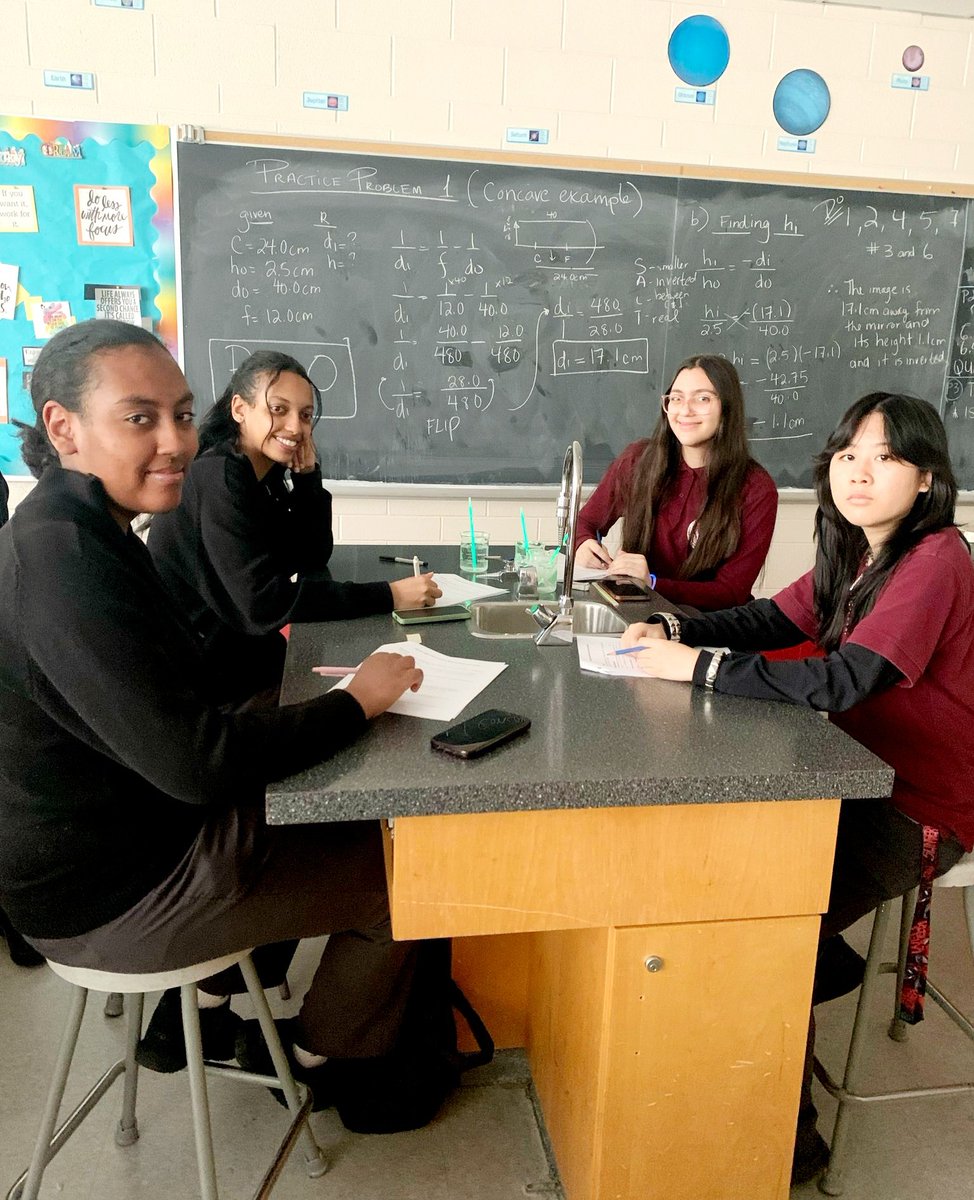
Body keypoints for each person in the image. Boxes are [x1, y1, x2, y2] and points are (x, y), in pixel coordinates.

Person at [0, 319, 427, 1104]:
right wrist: (353, 704)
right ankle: (308, 1053)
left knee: (335, 814)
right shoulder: (64, 560)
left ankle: (222, 991)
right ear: (63, 426)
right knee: (413, 882)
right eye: (139, 418)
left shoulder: (85, 528)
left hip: (134, 834)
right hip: (113, 892)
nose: (174, 440)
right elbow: (199, 764)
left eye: (181, 414)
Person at [619, 391, 973, 1183]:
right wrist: (674, 628)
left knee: (759, 913)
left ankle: (786, 1140)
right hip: (844, 772)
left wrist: (698, 669)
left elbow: (848, 680)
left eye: (885, 458)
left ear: (925, 479)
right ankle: (814, 964)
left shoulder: (935, 558)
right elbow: (769, 620)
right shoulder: (857, 550)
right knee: (724, 862)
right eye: (848, 455)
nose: (859, 472)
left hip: (918, 802)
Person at [147, 350, 441, 701]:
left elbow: (311, 554)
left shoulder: (260, 473)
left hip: (241, 650)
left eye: (305, 415)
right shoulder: (219, 476)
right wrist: (390, 595)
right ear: (240, 409)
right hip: (204, 677)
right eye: (278, 409)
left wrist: (306, 479)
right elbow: (263, 604)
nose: (296, 428)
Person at [573, 354, 778, 610]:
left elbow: (731, 592)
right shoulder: (638, 460)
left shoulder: (755, 488)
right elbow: (584, 522)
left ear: (727, 407)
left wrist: (653, 582)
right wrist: (582, 543)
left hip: (708, 628)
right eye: (676, 398)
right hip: (637, 615)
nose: (685, 410)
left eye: (702, 398)